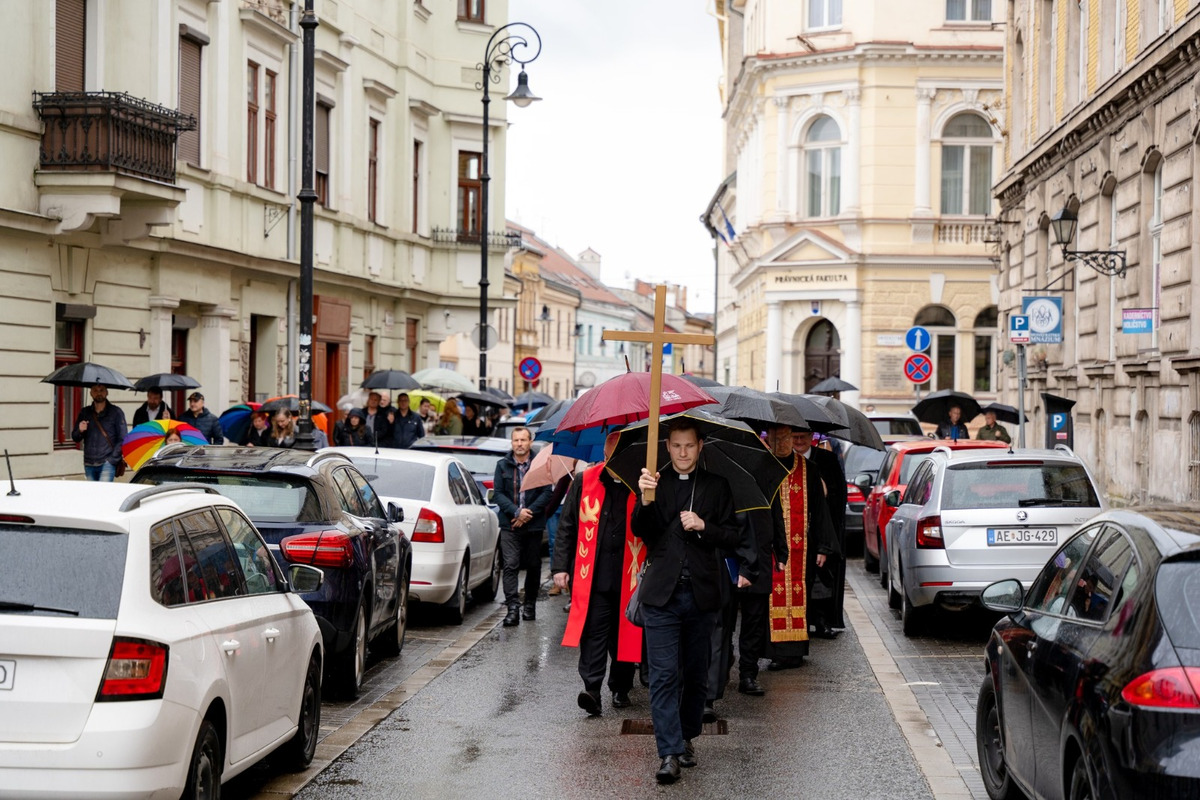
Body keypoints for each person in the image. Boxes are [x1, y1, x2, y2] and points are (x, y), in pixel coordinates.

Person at [633, 421, 740, 785]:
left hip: (701, 594)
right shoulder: (653, 482)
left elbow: (732, 535)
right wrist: (645, 499)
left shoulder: (717, 486)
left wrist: (703, 525)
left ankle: (687, 736)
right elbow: (641, 530)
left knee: (695, 674)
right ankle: (668, 752)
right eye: (676, 445)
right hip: (661, 596)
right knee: (663, 675)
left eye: (689, 446)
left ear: (700, 446)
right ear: (667, 446)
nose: (682, 452)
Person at [552, 433, 640, 716]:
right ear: (604, 454)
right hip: (594, 576)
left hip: (628, 577)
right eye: (610, 455)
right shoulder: (584, 480)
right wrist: (559, 567)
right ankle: (591, 689)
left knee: (624, 634)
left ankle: (620, 687)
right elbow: (567, 525)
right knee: (594, 635)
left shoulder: (639, 484)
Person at [765, 424, 838, 671]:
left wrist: (823, 547)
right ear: (769, 439)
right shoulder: (763, 466)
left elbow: (820, 510)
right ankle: (776, 652)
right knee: (771, 597)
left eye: (786, 438)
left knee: (799, 594)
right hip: (771, 547)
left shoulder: (808, 469)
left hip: (802, 548)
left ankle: (795, 652)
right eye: (776, 438)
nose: (782, 442)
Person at [493, 427, 553, 627]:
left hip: (533, 524)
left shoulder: (540, 464)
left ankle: (530, 605)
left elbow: (547, 492)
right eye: (516, 440)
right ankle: (512, 608)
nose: (519, 444)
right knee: (510, 565)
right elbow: (498, 494)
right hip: (509, 524)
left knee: (533, 565)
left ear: (530, 442)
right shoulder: (502, 465)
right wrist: (516, 512)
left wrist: (528, 513)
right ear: (512, 443)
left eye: (523, 440)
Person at [797, 428, 848, 632]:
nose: (799, 441)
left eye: (802, 437)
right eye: (794, 437)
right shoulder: (783, 460)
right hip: (794, 526)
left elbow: (840, 495)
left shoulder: (827, 460)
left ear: (812, 437)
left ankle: (821, 620)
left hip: (822, 527)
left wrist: (825, 491)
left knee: (822, 576)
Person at [72, 384, 128, 482]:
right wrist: (80, 430)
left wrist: (112, 460)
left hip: (107, 463)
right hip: (89, 463)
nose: (98, 393)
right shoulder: (85, 412)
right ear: (90, 393)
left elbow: (123, 438)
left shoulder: (116, 412)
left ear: (107, 392)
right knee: (92, 492)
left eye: (101, 390)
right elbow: (75, 437)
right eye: (95, 390)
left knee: (104, 491)